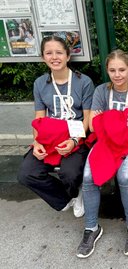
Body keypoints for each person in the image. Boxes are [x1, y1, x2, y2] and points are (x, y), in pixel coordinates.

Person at [76, 49, 128, 258]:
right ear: (107, 71)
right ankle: (91, 228)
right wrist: (120, 120)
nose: (117, 75)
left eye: (122, 70)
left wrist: (108, 118)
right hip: (104, 142)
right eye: (112, 70)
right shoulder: (100, 91)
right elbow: (93, 124)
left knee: (125, 176)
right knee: (88, 177)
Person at [18, 36, 94, 217]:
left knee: (70, 173)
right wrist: (36, 142)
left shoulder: (83, 82)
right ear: (43, 57)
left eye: (59, 52)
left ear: (68, 56)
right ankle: (65, 198)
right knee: (26, 174)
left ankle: (77, 191)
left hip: (75, 136)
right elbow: (39, 117)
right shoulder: (40, 83)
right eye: (49, 53)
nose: (54, 57)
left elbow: (87, 117)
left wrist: (74, 141)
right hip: (48, 137)